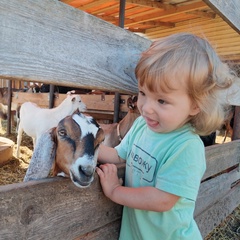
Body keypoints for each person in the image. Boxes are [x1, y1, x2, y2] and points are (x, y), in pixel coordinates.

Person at [96, 33, 237, 240]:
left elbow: (162, 199)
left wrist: (115, 191)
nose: (146, 108)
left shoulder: (186, 146)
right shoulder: (141, 127)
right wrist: (91, 148)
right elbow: (119, 155)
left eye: (162, 101)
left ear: (196, 105)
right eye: (143, 93)